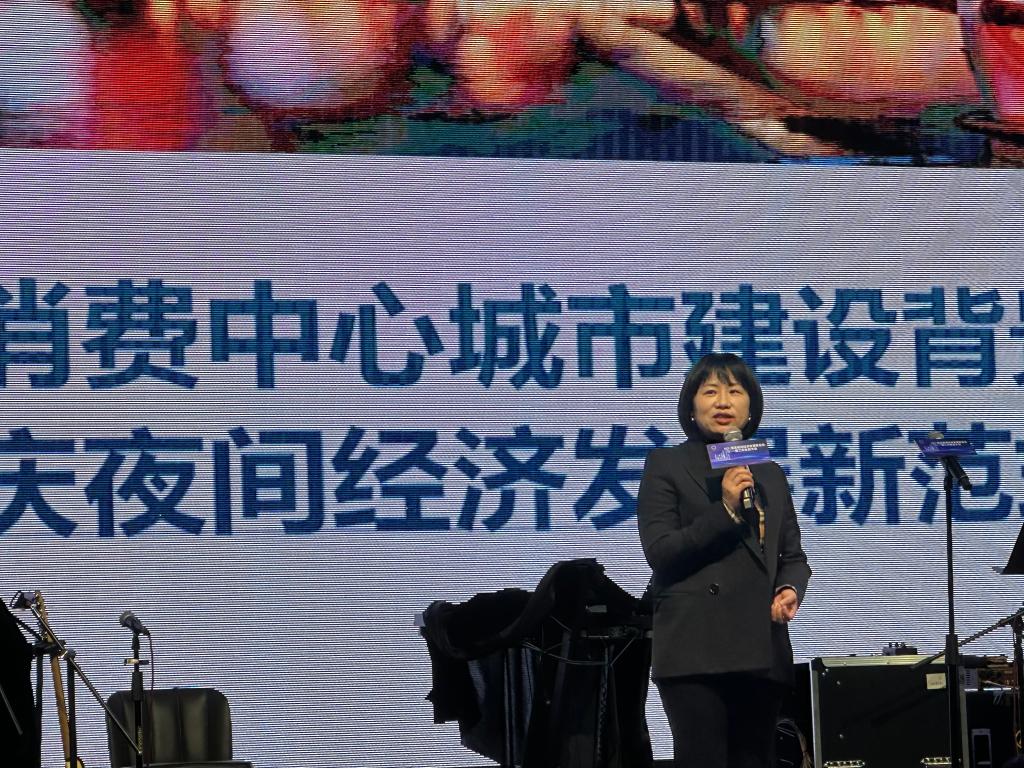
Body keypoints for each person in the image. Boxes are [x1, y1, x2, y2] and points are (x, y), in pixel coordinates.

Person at [636, 351, 811, 768]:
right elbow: (661, 552)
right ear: (691, 405)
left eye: (734, 391)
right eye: (710, 391)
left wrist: (789, 588)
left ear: (751, 407)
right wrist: (727, 511)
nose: (723, 402)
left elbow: (793, 555)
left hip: (761, 647)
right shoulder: (667, 465)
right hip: (696, 650)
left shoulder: (769, 473)